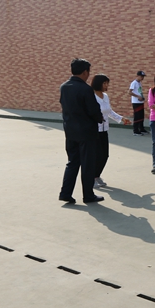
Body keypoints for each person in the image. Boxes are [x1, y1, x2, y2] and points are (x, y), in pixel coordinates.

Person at [58, 58, 104, 204]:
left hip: (70, 131)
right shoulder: (85, 89)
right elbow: (93, 110)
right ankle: (88, 195)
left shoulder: (64, 87)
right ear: (85, 72)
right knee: (87, 165)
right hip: (86, 132)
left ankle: (65, 193)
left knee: (72, 162)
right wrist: (100, 118)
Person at [91, 74, 131, 188]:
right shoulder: (91, 96)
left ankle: (96, 176)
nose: (106, 85)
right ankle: (91, 178)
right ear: (98, 83)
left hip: (104, 130)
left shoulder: (105, 96)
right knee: (96, 156)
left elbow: (109, 111)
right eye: (104, 83)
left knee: (105, 155)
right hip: (94, 131)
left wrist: (121, 118)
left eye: (107, 83)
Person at [129, 71, 148, 136]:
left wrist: (142, 97)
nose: (142, 78)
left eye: (143, 77)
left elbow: (139, 91)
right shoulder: (134, 83)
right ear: (137, 76)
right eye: (141, 76)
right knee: (137, 116)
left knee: (141, 116)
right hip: (136, 102)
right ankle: (136, 130)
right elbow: (129, 92)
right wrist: (138, 96)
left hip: (140, 102)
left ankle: (141, 129)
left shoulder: (139, 83)